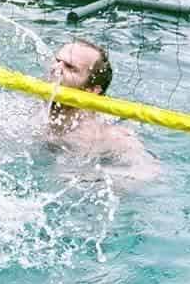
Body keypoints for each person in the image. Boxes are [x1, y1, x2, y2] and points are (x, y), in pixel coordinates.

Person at [45, 38, 158, 181]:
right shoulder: (32, 113)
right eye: (57, 60)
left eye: (69, 67)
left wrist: (88, 184)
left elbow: (148, 175)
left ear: (92, 90)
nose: (55, 69)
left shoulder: (109, 137)